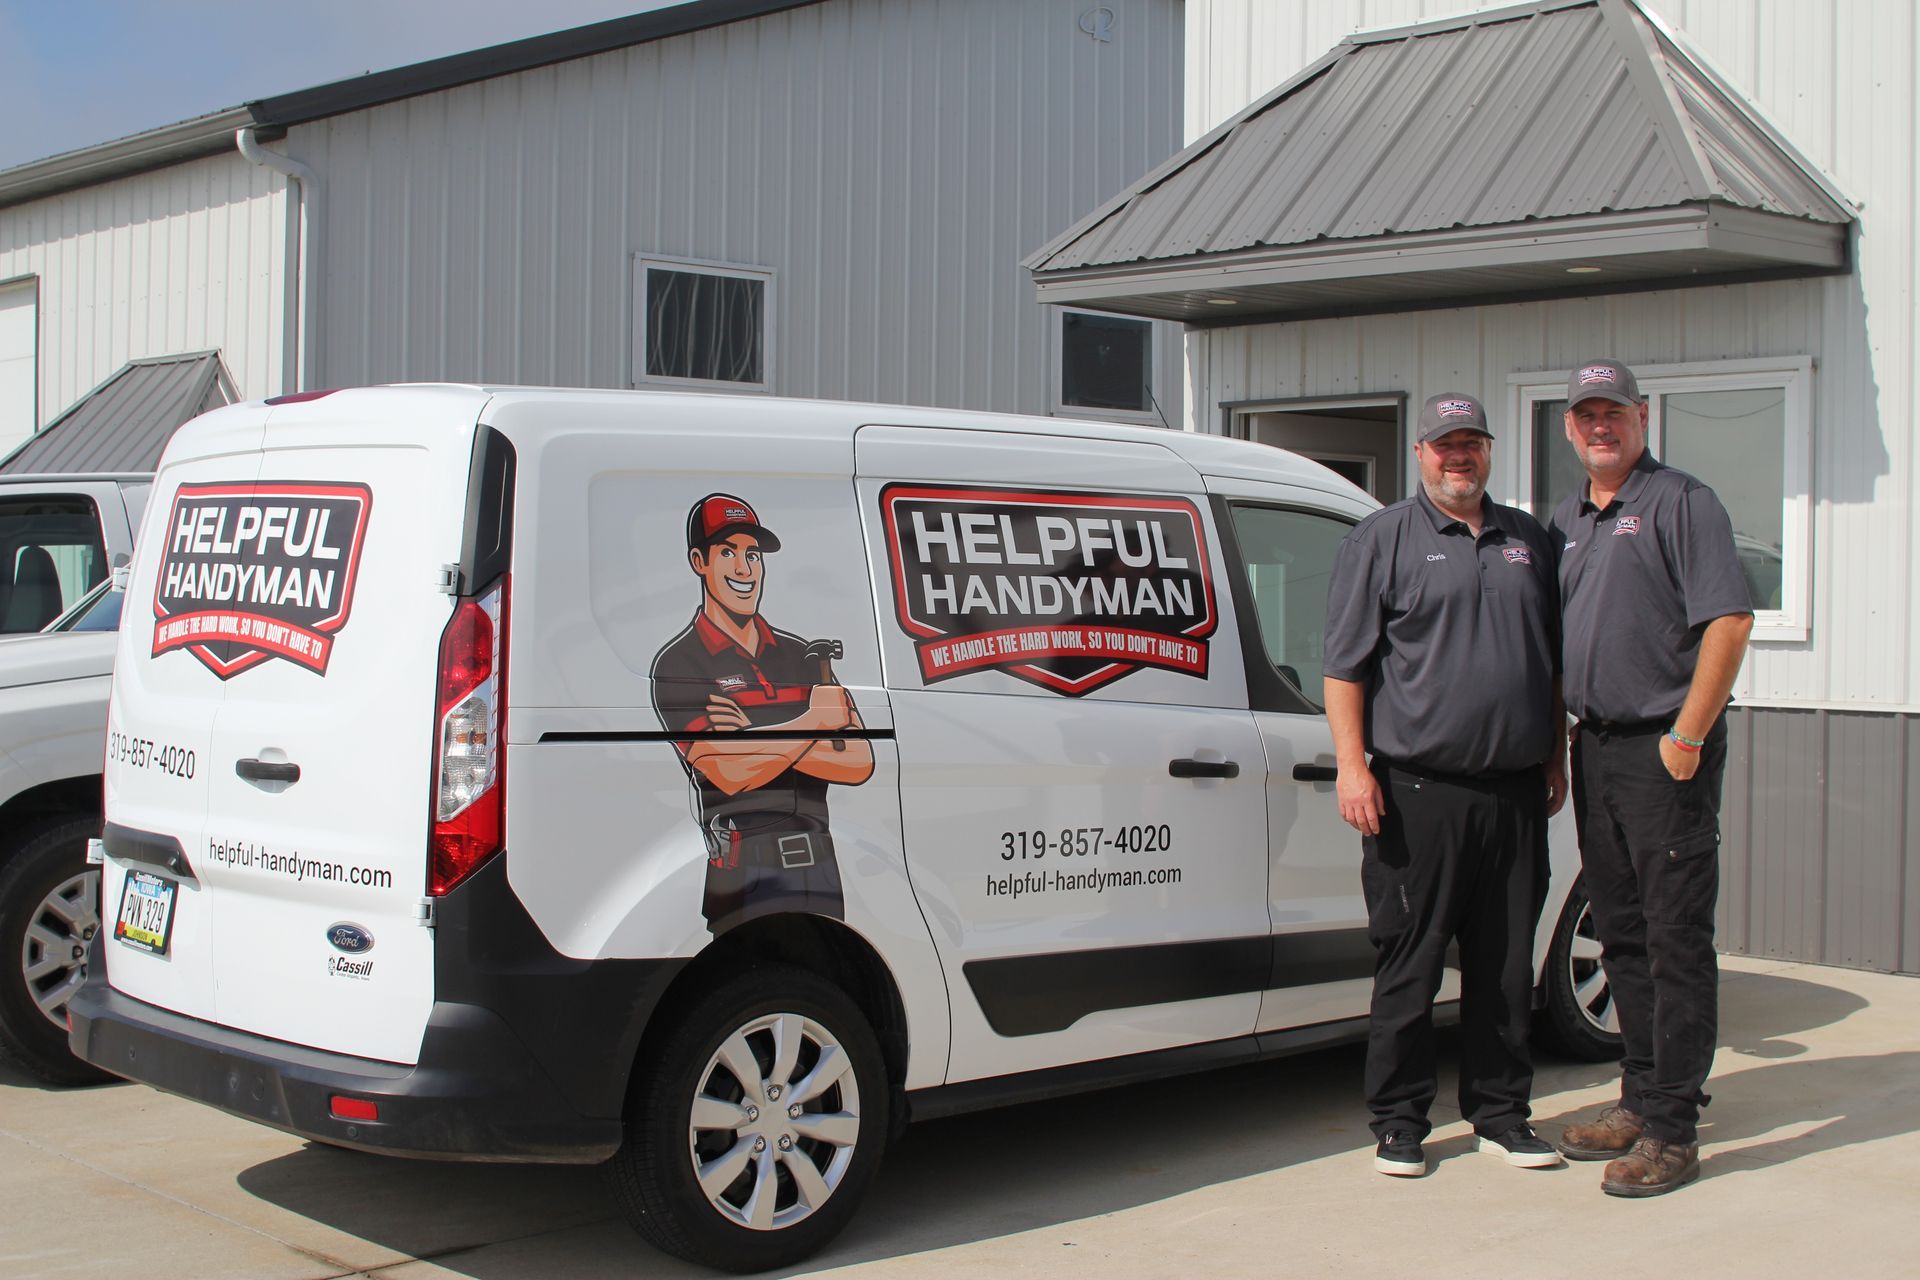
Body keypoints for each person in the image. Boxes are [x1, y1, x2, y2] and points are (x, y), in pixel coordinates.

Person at [1323, 392, 1568, 1178]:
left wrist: (1556, 756)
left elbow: (1551, 662)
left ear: (1488, 451)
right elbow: (1344, 667)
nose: (1457, 456)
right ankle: (1399, 1124)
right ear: (1421, 454)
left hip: (1516, 792)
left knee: (1503, 964)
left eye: (1470, 443)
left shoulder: (1529, 540)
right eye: (1443, 445)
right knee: (1411, 962)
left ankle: (1502, 1115)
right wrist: (1353, 765)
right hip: (1416, 793)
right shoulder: (1382, 539)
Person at [1548, 360, 1753, 1197]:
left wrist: (1687, 735)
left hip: (1664, 751)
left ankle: (1673, 1130)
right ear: (1570, 428)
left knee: (1674, 939)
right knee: (1620, 932)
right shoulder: (1565, 519)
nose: (1602, 427)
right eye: (1587, 414)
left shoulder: (1682, 502)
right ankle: (1639, 1094)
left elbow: (1730, 621)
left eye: (1615, 413)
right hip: (1593, 746)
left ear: (1642, 417)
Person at [650, 493, 874, 935]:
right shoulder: (679, 663)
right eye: (727, 552)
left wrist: (752, 738)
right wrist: (813, 725)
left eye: (752, 554)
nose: (743, 568)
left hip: (819, 867)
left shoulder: (801, 653)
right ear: (699, 560)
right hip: (741, 872)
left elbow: (859, 761)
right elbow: (726, 772)